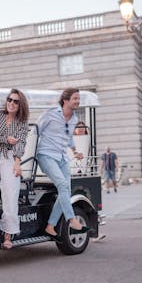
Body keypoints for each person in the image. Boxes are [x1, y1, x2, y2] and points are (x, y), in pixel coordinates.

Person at [37, 88, 89, 242]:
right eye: (75, 98)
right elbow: (36, 131)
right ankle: (72, 220)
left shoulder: (73, 119)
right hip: (46, 155)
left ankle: (50, 226)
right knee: (61, 184)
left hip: (62, 157)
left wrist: (74, 151)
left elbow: (68, 137)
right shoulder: (50, 114)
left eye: (78, 99)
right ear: (65, 100)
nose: (78, 101)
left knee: (65, 190)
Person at [0, 89, 29, 249]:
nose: (12, 103)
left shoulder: (22, 122)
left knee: (11, 194)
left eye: (16, 101)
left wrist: (17, 162)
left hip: (10, 158)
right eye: (10, 99)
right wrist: (6, 140)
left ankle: (8, 235)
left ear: (20, 104)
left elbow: (21, 142)